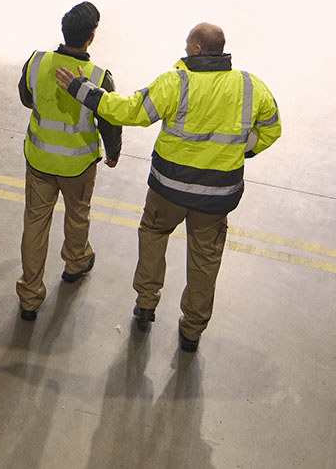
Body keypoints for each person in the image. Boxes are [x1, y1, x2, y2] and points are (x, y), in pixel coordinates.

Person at [56, 21, 281, 351]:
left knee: (152, 235)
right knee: (205, 260)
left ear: (196, 50)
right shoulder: (251, 86)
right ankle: (192, 330)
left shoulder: (175, 83)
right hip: (216, 199)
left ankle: (146, 304)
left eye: (188, 44)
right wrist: (242, 149)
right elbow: (272, 129)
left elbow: (129, 110)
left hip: (168, 190)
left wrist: (82, 89)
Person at [16, 1, 122, 320]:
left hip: (39, 160)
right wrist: (113, 153)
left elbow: (26, 98)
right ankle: (76, 262)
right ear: (91, 37)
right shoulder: (99, 77)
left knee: (35, 222)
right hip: (78, 165)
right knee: (77, 215)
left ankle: (30, 296)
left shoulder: (36, 62)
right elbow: (109, 121)